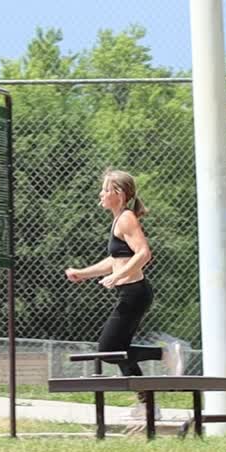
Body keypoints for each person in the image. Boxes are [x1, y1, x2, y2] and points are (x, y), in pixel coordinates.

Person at [64, 170, 184, 423]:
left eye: (105, 189)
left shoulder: (126, 218)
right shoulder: (119, 219)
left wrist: (118, 277)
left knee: (108, 349)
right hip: (131, 294)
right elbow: (115, 260)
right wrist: (82, 273)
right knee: (117, 349)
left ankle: (164, 354)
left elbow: (143, 253)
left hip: (135, 294)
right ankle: (147, 406)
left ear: (118, 194)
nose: (101, 193)